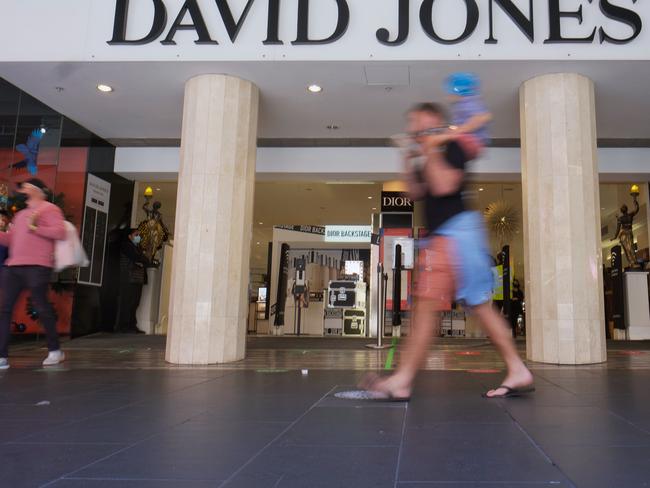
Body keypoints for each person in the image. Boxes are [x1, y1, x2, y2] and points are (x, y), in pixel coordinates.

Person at [362, 103, 533, 399]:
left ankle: (402, 380)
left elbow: (444, 185)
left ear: (437, 125)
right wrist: (407, 157)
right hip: (444, 235)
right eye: (415, 127)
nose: (418, 132)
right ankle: (517, 368)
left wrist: (429, 149)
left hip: (457, 233)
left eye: (424, 127)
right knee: (472, 305)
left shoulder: (453, 147)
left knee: (428, 305)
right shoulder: (427, 154)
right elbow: (415, 192)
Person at [0, 178, 66, 369]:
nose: (24, 188)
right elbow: (12, 239)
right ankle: (2, 356)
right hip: (13, 267)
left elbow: (60, 232)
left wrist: (36, 227)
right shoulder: (20, 215)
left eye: (28, 186)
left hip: (37, 266)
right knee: (4, 309)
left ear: (38, 190)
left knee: (41, 306)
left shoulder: (49, 209)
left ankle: (55, 351)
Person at [444, 72, 492, 161]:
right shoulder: (461, 105)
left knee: (444, 141)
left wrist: (459, 130)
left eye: (449, 92)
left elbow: (483, 117)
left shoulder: (468, 102)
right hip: (471, 142)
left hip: (472, 142)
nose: (447, 95)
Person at [117, 228, 150, 334]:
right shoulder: (126, 246)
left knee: (135, 303)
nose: (138, 237)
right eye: (136, 235)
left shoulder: (137, 247)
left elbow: (145, 260)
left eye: (139, 235)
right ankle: (124, 326)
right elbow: (137, 257)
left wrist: (141, 261)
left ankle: (131, 326)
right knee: (127, 303)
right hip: (129, 278)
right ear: (129, 236)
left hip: (137, 279)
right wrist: (140, 260)